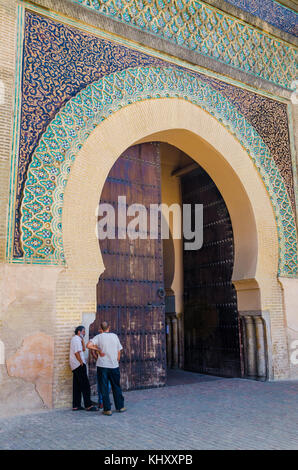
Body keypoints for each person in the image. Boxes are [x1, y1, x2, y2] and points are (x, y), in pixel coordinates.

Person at [87, 321, 126, 416]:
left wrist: (98, 350)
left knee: (104, 387)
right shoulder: (114, 336)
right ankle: (120, 407)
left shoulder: (98, 337)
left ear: (101, 328)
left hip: (103, 366)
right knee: (116, 386)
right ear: (109, 327)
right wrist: (117, 360)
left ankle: (107, 409)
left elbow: (88, 345)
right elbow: (119, 351)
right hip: (114, 366)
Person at [69, 325, 103, 411]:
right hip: (79, 365)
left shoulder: (77, 339)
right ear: (79, 332)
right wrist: (81, 362)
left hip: (75, 365)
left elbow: (83, 349)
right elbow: (77, 353)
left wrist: (82, 340)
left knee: (77, 385)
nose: (84, 333)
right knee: (85, 385)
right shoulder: (76, 339)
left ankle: (76, 405)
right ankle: (88, 405)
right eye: (83, 332)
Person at [90, 326, 111, 409]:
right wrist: (97, 357)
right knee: (103, 384)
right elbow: (92, 351)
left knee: (107, 384)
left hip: (108, 364)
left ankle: (104, 401)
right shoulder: (98, 339)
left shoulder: (109, 338)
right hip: (103, 364)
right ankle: (101, 401)